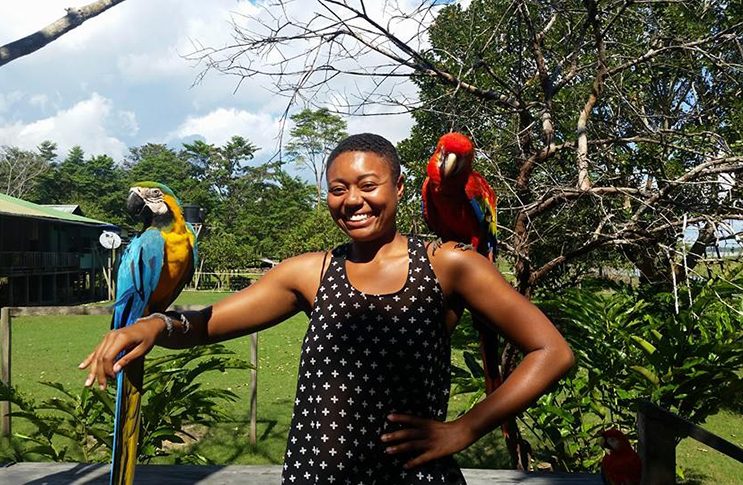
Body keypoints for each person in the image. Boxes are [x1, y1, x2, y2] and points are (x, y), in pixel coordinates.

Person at [80, 133, 574, 484]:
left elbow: (550, 351)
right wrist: (154, 324)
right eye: (338, 189)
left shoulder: (447, 264)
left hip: (412, 476)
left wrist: (463, 430)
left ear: (400, 189)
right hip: (317, 473)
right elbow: (211, 322)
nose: (353, 200)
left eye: (368, 186)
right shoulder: (310, 273)